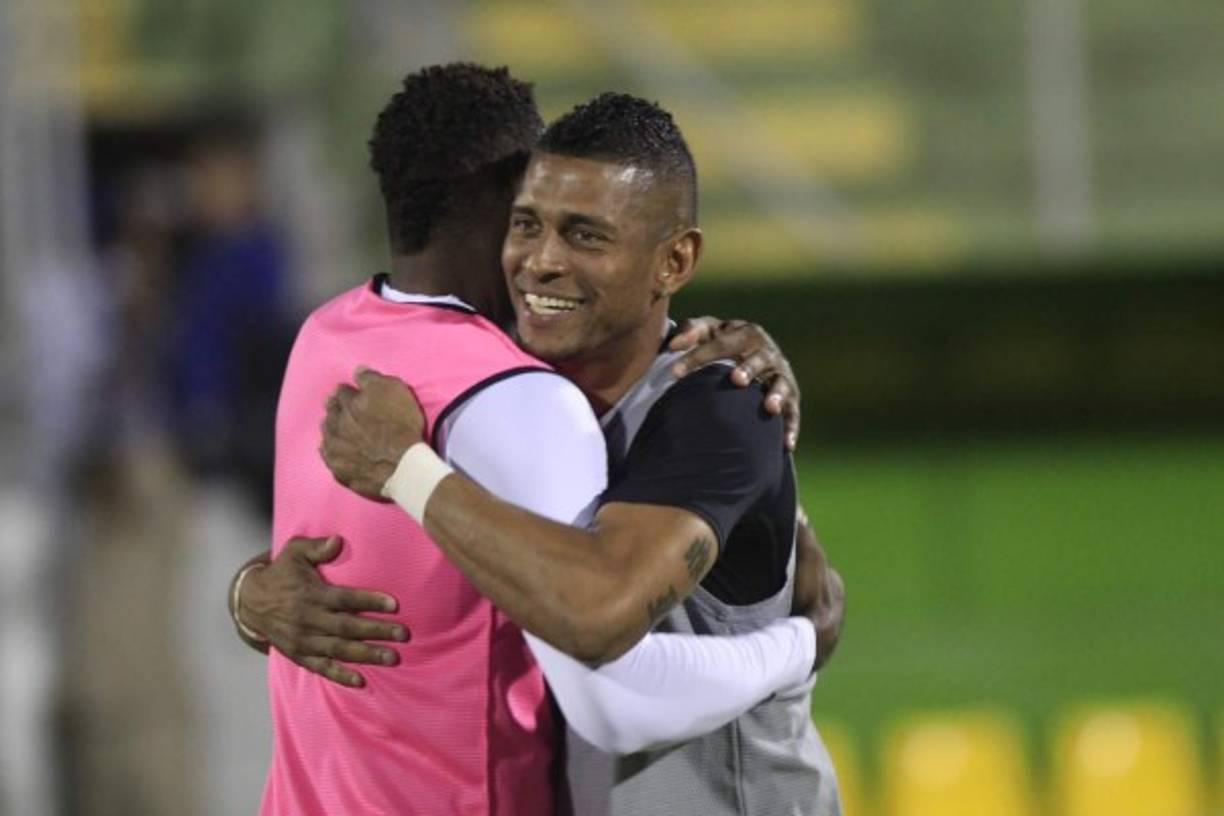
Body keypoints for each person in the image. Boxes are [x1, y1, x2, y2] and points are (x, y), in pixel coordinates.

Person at [234, 65, 841, 815]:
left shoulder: (720, 405)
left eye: (585, 234)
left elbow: (601, 652)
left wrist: (801, 645)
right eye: (528, 224)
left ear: (674, 261)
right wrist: (249, 593)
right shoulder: (519, 386)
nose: (542, 261)